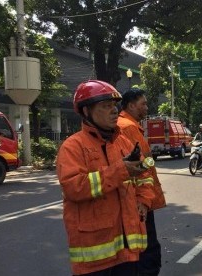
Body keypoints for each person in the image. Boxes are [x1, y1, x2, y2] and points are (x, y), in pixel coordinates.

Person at [56, 80, 155, 275]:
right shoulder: (72, 147)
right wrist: (120, 171)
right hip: (95, 257)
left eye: (114, 106)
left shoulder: (123, 142)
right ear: (86, 112)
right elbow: (74, 187)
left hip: (128, 250)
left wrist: (144, 200)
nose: (114, 111)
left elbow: (145, 175)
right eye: (106, 106)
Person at [117, 88, 165, 276]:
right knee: (148, 248)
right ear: (130, 105)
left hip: (136, 197)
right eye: (143, 103)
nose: (147, 107)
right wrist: (152, 160)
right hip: (140, 199)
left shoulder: (128, 125)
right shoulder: (128, 127)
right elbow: (142, 163)